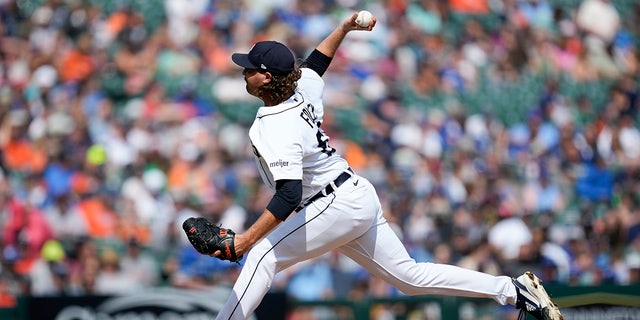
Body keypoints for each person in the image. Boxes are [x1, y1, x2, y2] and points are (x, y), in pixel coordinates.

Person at [195, 12, 563, 320]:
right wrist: (343, 28)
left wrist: (244, 240)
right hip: (353, 194)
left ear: (268, 77)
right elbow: (316, 64)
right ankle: (514, 291)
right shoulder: (300, 86)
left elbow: (289, 193)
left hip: (332, 203)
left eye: (250, 69)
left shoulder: (275, 123)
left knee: (261, 253)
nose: (244, 73)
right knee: (409, 278)